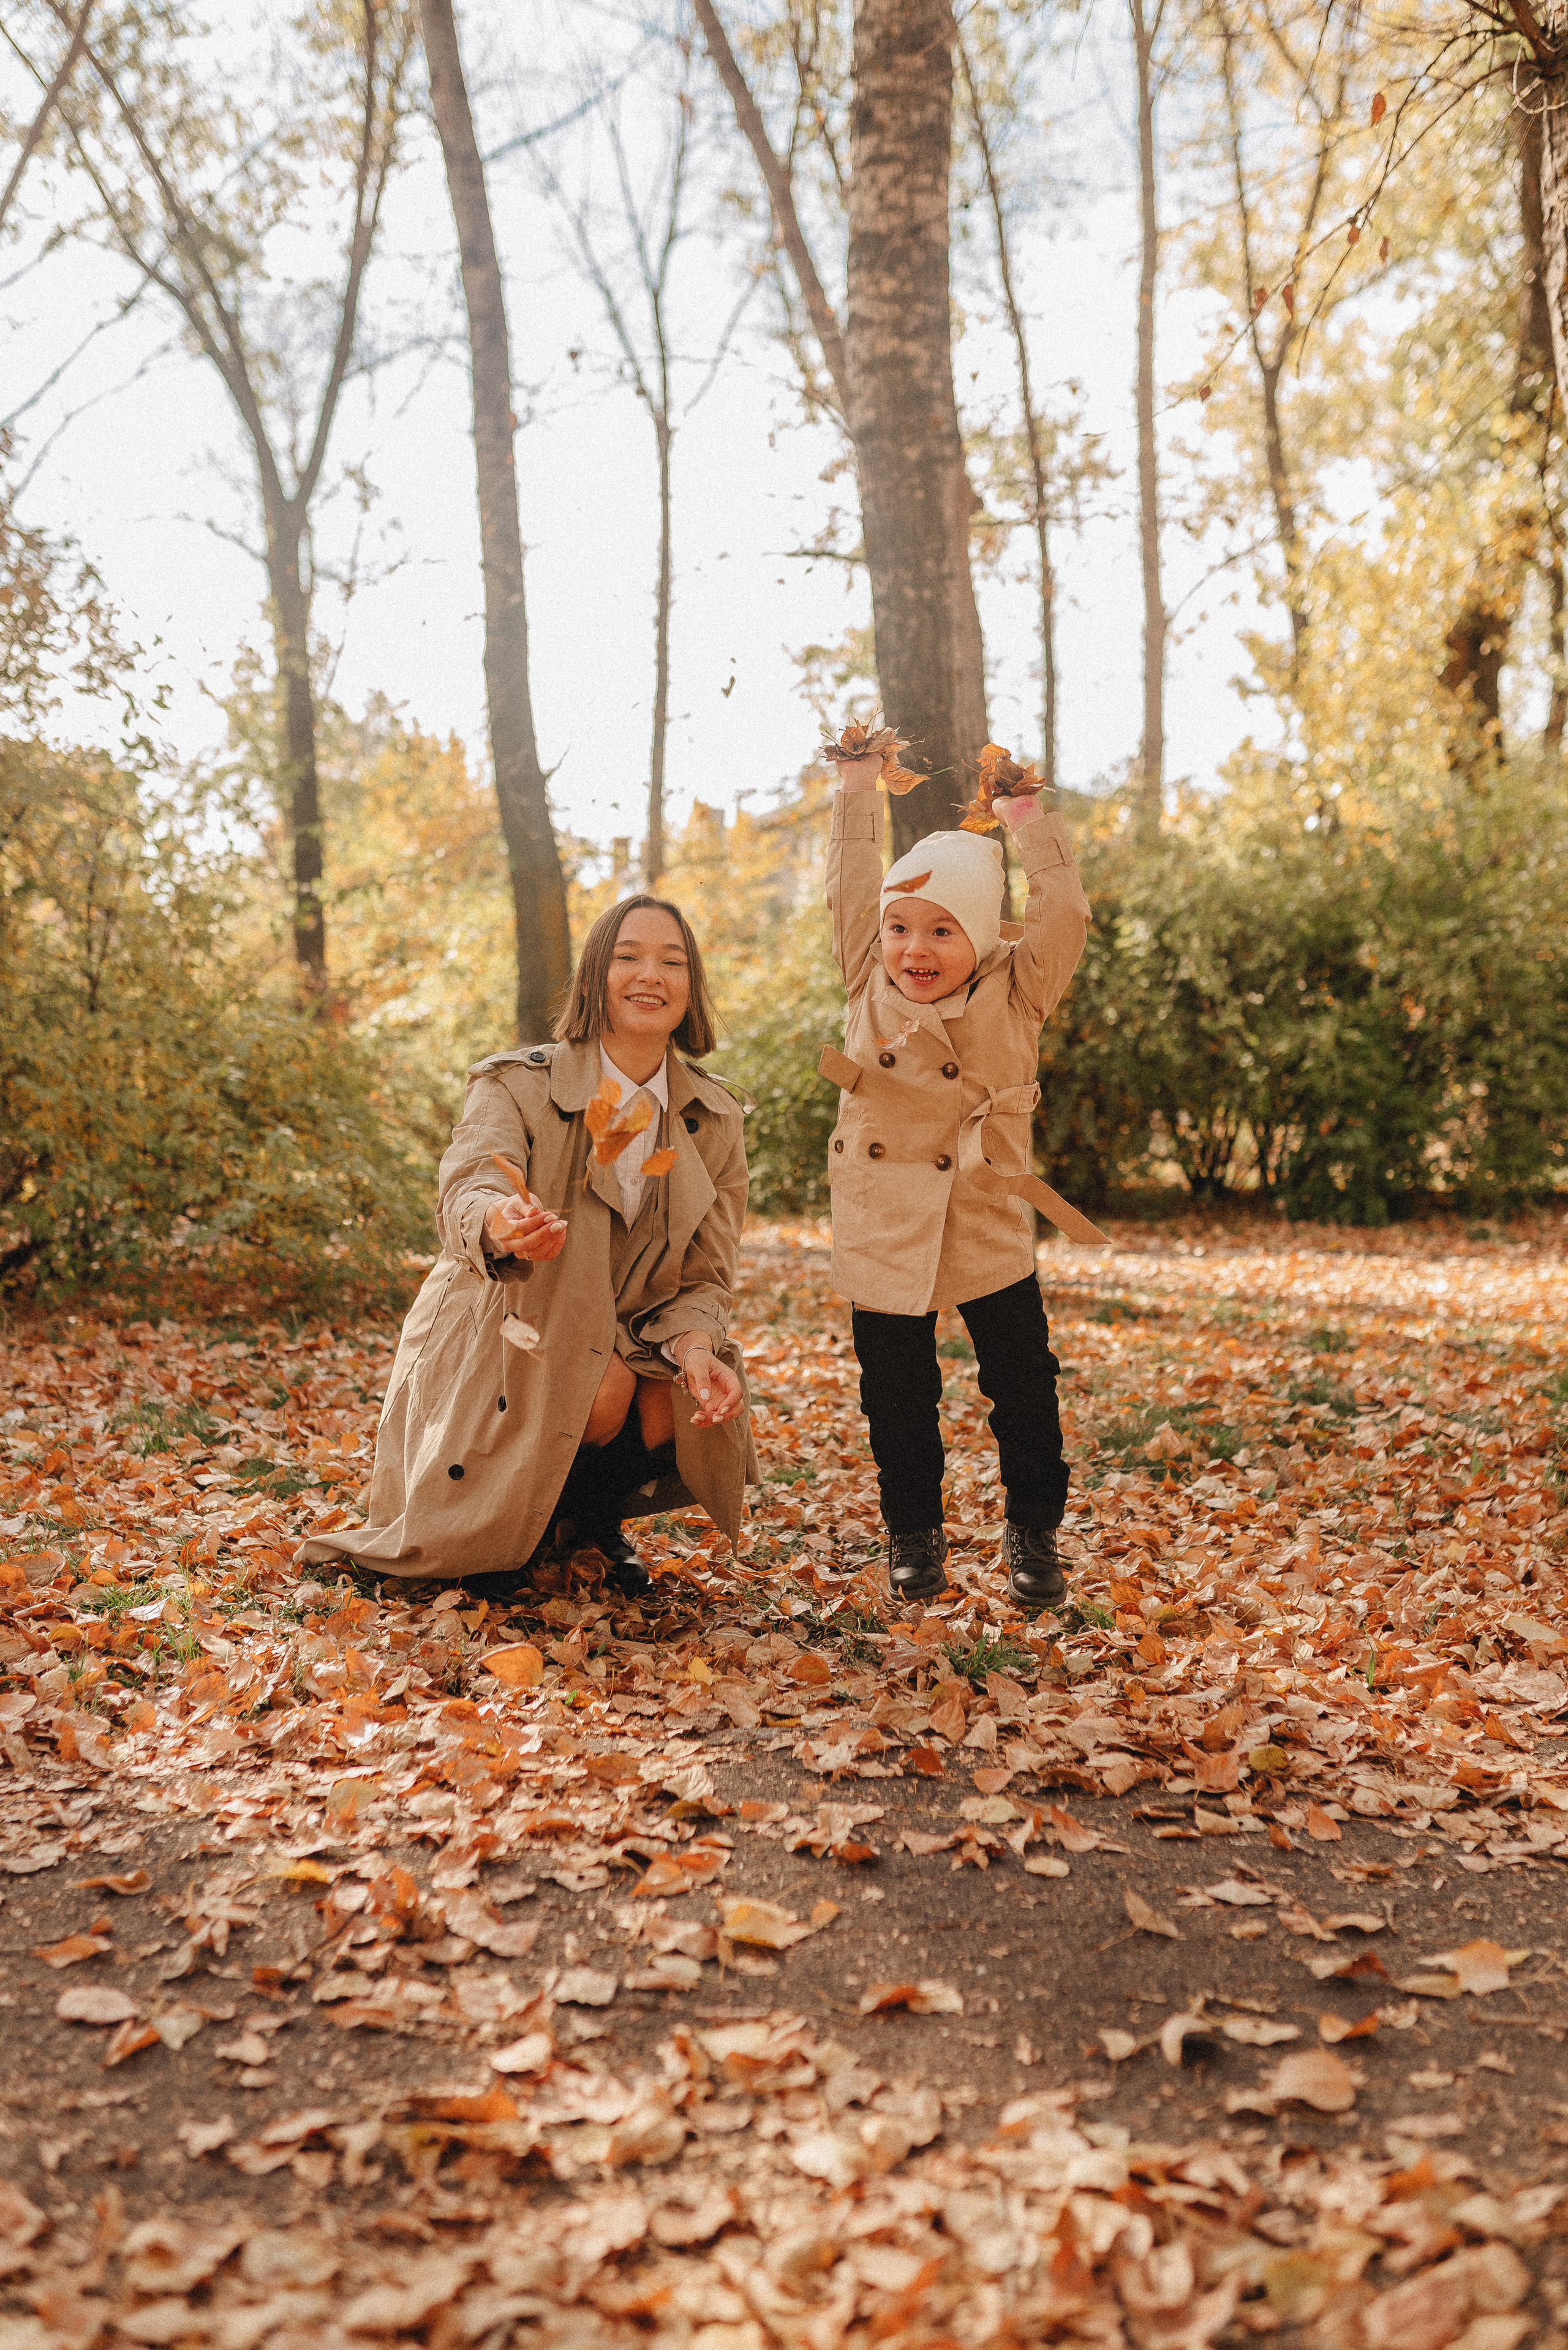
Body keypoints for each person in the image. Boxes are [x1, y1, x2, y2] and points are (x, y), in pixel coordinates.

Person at [301, 897, 756, 1597]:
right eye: (628, 955)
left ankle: (586, 1525)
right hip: (509, 1317)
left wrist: (697, 1350)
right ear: (593, 976)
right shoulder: (517, 1083)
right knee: (600, 1387)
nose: (651, 975)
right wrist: (499, 1223)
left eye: (673, 961)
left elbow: (705, 1273)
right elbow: (471, 1179)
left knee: (677, 1399)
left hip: (629, 1327)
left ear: (691, 987)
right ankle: (507, 1531)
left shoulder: (713, 1118)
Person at [821, 752, 1091, 1612]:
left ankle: (1034, 1532)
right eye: (903, 926)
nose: (916, 948)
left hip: (983, 1205)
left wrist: (1026, 823)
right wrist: (857, 793)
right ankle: (913, 1535)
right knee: (895, 1393)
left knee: (1023, 1385)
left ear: (980, 936)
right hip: (883, 1209)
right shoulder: (866, 971)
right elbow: (850, 884)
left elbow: (1067, 912)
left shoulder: (1022, 988)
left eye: (943, 929)